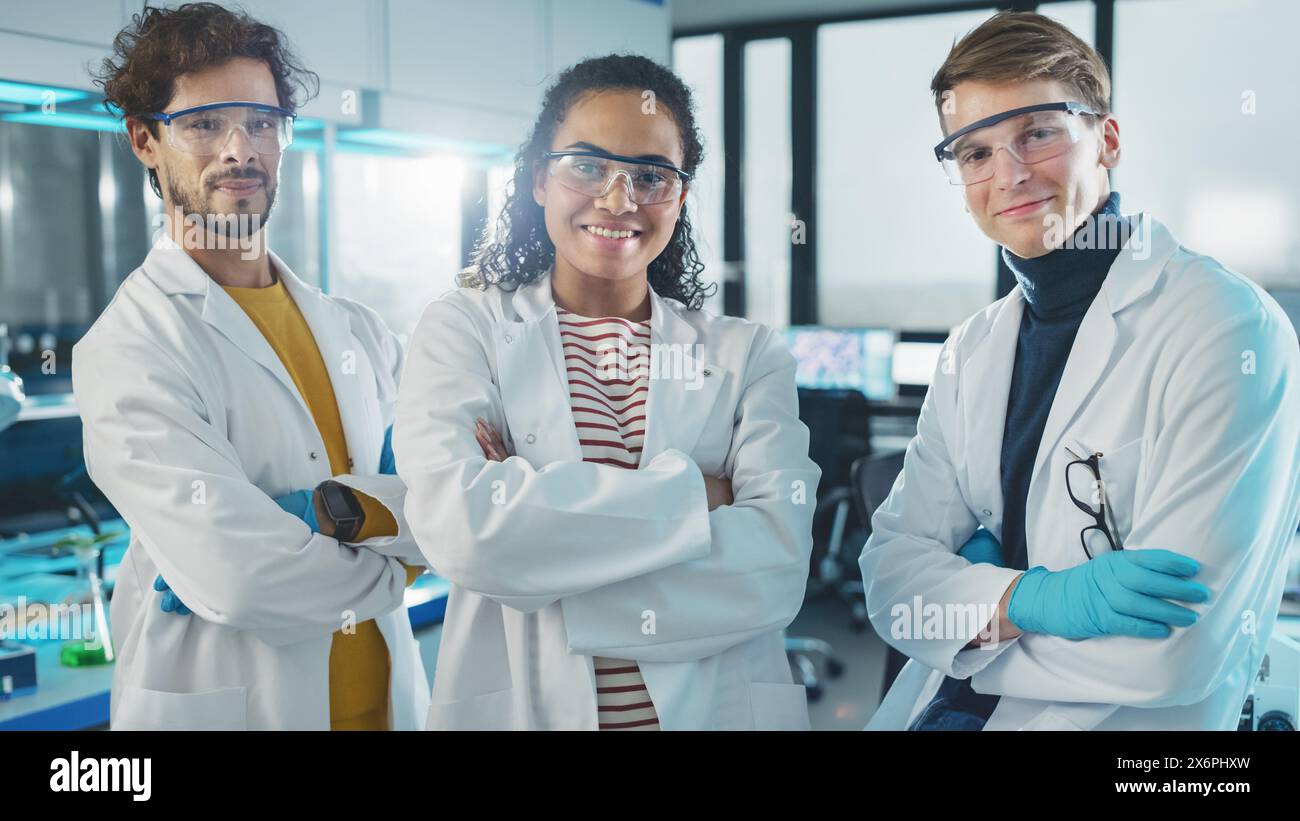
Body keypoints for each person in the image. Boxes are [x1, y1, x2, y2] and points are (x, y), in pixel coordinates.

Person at [860, 11, 1300, 730]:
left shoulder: (1224, 328)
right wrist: (1034, 595)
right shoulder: (973, 348)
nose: (1009, 174)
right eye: (974, 152)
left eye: (1037, 131)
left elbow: (1176, 654)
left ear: (1109, 139)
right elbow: (888, 582)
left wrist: (973, 603)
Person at [394, 54, 820, 730]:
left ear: (679, 197)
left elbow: (775, 571)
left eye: (651, 176)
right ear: (539, 178)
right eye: (587, 165)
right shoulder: (466, 328)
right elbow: (465, 535)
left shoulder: (748, 354)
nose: (619, 200)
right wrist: (697, 498)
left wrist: (546, 557)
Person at [73, 2, 429, 730]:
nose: (241, 150)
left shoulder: (359, 331)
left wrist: (381, 523)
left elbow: (451, 501)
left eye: (263, 123)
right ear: (146, 139)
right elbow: (240, 579)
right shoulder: (129, 346)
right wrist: (404, 554)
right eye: (205, 124)